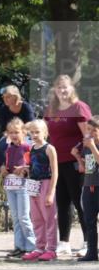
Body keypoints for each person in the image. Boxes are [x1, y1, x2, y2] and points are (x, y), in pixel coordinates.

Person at [43, 75, 92, 257]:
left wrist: (85, 161)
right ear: (54, 90)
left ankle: (89, 242)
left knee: (81, 202)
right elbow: (45, 135)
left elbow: (89, 136)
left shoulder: (79, 108)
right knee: (62, 203)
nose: (62, 91)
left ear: (72, 88)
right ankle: (64, 242)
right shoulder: (51, 109)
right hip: (57, 162)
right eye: (59, 88)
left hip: (76, 163)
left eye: (65, 87)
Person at [23, 120, 60, 262]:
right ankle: (39, 247)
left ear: (45, 132)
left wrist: (51, 192)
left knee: (49, 218)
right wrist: (25, 169)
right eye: (31, 132)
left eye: (37, 132)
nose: (34, 135)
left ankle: (51, 249)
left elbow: (55, 172)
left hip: (46, 184)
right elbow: (32, 166)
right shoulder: (31, 148)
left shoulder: (49, 149)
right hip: (33, 185)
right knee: (37, 218)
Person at [0, 119, 36, 259]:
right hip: (11, 185)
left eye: (16, 132)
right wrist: (3, 168)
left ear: (23, 132)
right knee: (15, 217)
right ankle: (19, 246)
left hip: (24, 186)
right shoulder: (8, 148)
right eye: (11, 132)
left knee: (24, 217)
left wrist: (25, 169)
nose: (14, 135)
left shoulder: (28, 148)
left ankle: (31, 246)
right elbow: (8, 165)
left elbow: (34, 165)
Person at [77, 115, 99, 262]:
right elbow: (85, 168)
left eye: (93, 130)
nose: (90, 133)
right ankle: (92, 252)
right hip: (89, 186)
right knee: (89, 220)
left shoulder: (91, 145)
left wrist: (92, 146)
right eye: (88, 130)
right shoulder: (86, 146)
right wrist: (78, 158)